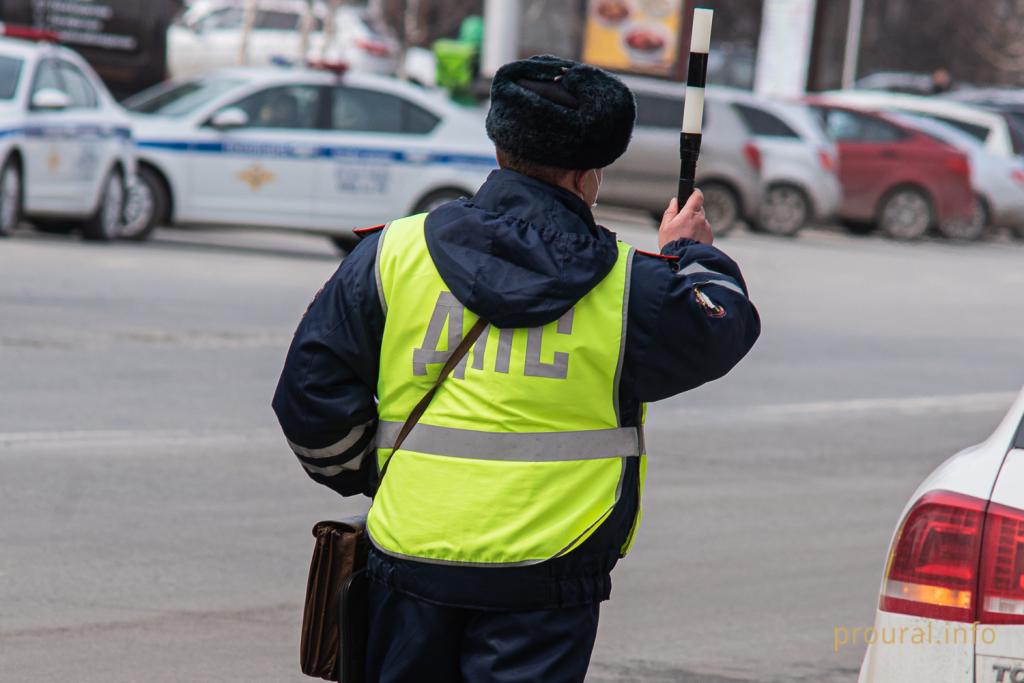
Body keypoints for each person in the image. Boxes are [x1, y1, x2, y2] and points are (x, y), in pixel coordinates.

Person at [273, 54, 760, 683]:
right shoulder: (629, 287)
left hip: (409, 560)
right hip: (548, 579)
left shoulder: (392, 252)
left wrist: (382, 477)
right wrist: (688, 251)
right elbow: (723, 322)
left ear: (500, 146)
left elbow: (309, 401)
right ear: (592, 175)